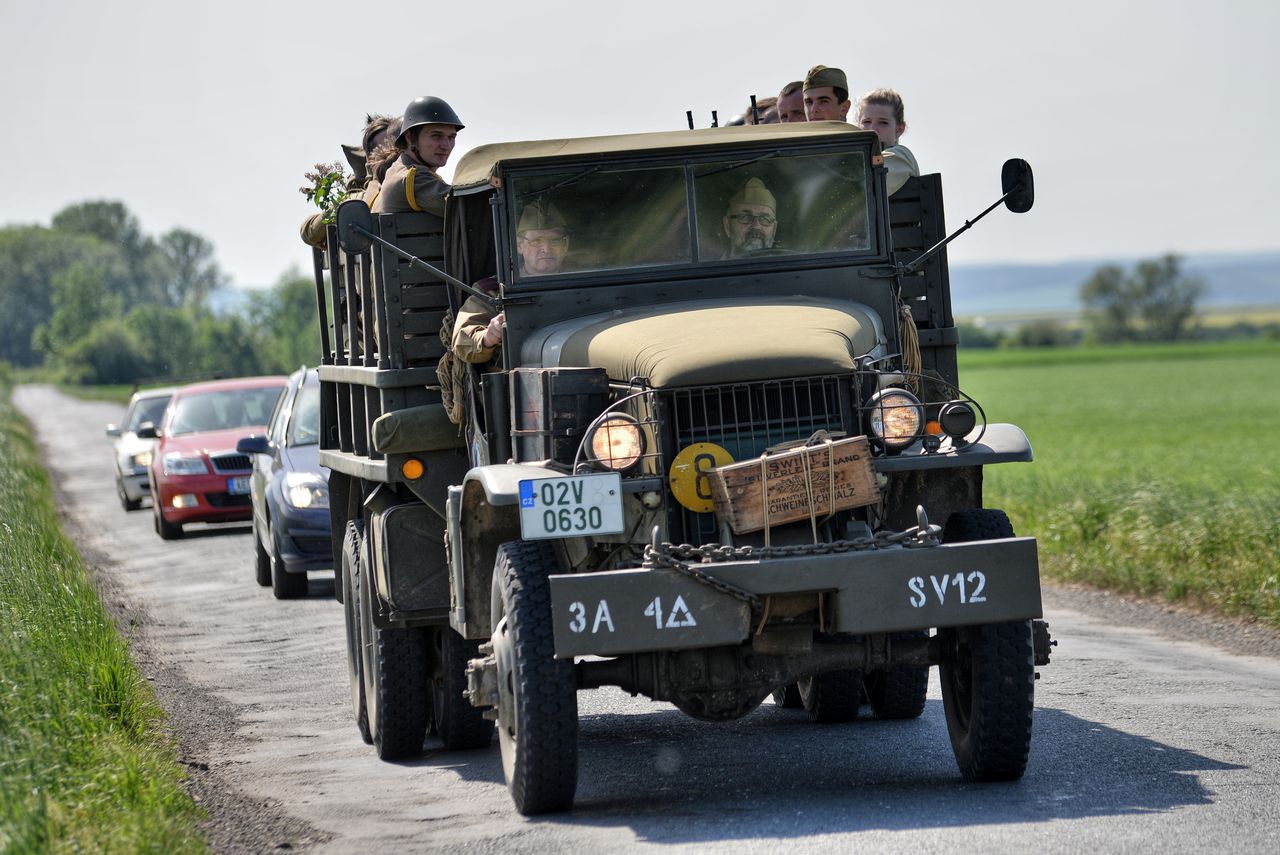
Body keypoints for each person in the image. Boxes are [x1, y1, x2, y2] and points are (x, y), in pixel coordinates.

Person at [451, 200, 570, 363]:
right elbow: (462, 340)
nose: (546, 249)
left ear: (565, 244)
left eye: (555, 240)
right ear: (519, 245)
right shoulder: (492, 290)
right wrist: (488, 337)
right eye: (537, 241)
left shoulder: (590, 281)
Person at [299, 113, 397, 248]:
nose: (393, 153)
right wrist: (342, 209)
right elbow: (308, 232)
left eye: (398, 146)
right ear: (370, 160)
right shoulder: (359, 198)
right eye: (385, 148)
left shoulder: (421, 181)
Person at [372, 96, 464, 215]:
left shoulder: (398, 169)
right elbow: (466, 208)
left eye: (451, 137)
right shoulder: (414, 178)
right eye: (436, 136)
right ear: (410, 137)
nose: (446, 145)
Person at [857, 88, 919, 195]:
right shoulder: (856, 160)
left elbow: (864, 184)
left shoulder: (902, 157)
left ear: (899, 129)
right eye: (866, 122)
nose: (873, 129)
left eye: (883, 123)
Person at [722, 178, 777, 258]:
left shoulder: (788, 268)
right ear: (727, 226)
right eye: (745, 217)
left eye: (765, 219)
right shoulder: (709, 268)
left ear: (774, 230)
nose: (756, 226)